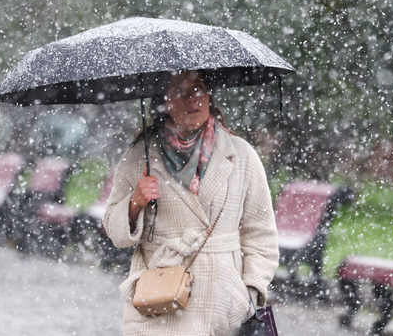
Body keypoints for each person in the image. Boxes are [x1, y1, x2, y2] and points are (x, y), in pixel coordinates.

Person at [103, 70, 279, 335]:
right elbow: (115, 234)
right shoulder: (140, 156)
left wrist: (249, 292)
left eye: (199, 88)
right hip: (160, 300)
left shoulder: (240, 154)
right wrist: (135, 202)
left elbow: (261, 236)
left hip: (223, 305)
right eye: (178, 91)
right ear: (163, 102)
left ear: (209, 96)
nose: (192, 98)